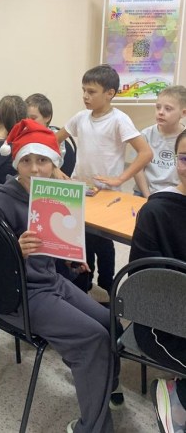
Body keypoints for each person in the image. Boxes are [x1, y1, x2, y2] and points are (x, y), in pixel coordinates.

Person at [0, 119, 120, 433]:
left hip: (50, 280)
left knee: (110, 322)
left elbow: (56, 239)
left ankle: (101, 386)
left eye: (42, 160)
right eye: (26, 160)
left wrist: (72, 257)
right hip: (22, 293)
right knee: (93, 339)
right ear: (16, 162)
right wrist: (14, 249)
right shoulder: (1, 202)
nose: (35, 168)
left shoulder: (54, 194)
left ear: (54, 163)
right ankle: (94, 426)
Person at [56, 64, 152, 294]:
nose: (85, 96)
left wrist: (120, 179)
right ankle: (85, 284)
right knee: (81, 239)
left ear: (110, 93)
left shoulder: (119, 120)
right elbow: (53, 140)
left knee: (102, 242)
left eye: (91, 91)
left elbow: (145, 153)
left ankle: (108, 285)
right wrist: (55, 169)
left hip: (106, 194)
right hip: (80, 190)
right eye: (83, 90)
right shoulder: (80, 117)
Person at [129, 130, 186, 432]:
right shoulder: (156, 212)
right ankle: (175, 399)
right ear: (176, 161)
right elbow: (143, 288)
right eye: (184, 158)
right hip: (161, 324)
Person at [133, 85, 186, 197]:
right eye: (158, 107)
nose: (161, 112)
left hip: (175, 193)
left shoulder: (184, 139)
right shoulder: (145, 135)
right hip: (145, 192)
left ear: (183, 113)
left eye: (168, 109)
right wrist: (148, 196)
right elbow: (137, 169)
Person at [25, 93, 67, 165]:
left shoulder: (56, 136)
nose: (28, 122)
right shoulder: (22, 134)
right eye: (26, 118)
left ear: (47, 117)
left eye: (33, 118)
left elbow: (57, 164)